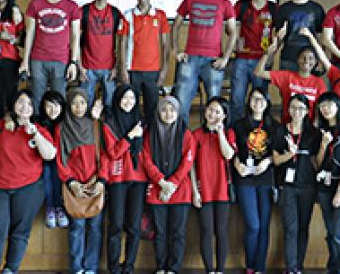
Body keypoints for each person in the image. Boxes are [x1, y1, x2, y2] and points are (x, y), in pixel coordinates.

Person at [0, 89, 57, 273]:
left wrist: (35, 134)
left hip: (28, 188)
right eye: (21, 102)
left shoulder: (39, 130)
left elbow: (49, 155)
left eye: (29, 104)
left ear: (34, 109)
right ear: (14, 105)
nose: (25, 107)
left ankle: (11, 269)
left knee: (20, 233)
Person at [172, 0, 237, 125]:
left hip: (213, 60)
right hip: (190, 58)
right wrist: (176, 50)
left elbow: (233, 32)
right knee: (181, 102)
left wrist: (226, 58)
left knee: (215, 106)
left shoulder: (225, 3)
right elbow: (176, 25)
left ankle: (213, 141)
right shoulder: (190, 0)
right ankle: (183, 142)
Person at [56, 88, 108, 274]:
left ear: (88, 104)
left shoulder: (95, 125)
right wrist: (72, 183)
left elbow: (105, 155)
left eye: (82, 103)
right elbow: (60, 160)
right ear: (69, 105)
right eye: (74, 103)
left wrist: (101, 180)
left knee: (95, 228)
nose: (79, 107)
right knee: (77, 228)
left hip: (95, 184)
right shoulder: (62, 128)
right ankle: (77, 268)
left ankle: (91, 268)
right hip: (74, 187)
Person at [141, 96, 196, 274]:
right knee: (160, 233)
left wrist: (172, 183)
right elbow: (146, 159)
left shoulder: (185, 133)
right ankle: (161, 267)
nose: (168, 113)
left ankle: (174, 269)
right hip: (158, 190)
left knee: (178, 233)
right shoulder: (150, 133)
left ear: (178, 112)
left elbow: (188, 161)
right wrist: (161, 182)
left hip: (180, 190)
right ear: (158, 112)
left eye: (172, 110)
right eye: (164, 109)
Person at [97, 85, 146, 274]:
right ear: (117, 99)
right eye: (125, 98)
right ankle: (113, 268)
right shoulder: (109, 122)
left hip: (139, 178)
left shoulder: (140, 121)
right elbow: (113, 153)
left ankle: (129, 267)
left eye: (132, 99)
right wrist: (129, 136)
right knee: (116, 225)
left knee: (134, 227)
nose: (128, 102)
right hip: (118, 177)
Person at [21, 0, 82, 111]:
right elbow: (29, 34)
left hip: (61, 59)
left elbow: (75, 36)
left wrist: (73, 62)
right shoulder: (35, 4)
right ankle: (36, 131)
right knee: (37, 99)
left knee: (58, 100)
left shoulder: (72, 6)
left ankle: (56, 132)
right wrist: (25, 61)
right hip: (38, 59)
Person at [272, 94, 322, 274]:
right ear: (288, 109)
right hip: (287, 187)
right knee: (290, 228)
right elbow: (276, 160)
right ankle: (291, 267)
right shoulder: (280, 131)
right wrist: (290, 153)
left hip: (308, 186)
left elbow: (317, 162)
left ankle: (298, 267)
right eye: (293, 108)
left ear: (307, 111)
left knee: (303, 227)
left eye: (301, 108)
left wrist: (323, 146)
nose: (296, 112)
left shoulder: (313, 133)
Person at [313, 92, 340, 274]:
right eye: (322, 106)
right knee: (331, 232)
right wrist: (323, 144)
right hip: (325, 186)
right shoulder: (319, 130)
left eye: (329, 105)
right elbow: (317, 163)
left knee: (339, 231)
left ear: (338, 106)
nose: (326, 109)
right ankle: (333, 269)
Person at [191, 97, 236, 274]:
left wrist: (221, 133)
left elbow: (228, 155)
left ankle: (220, 270)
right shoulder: (196, 135)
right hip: (204, 190)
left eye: (218, 112)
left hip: (222, 189)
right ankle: (210, 270)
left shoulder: (229, 133)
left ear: (224, 115)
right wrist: (195, 191)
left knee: (222, 231)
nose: (213, 114)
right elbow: (191, 167)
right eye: (210, 110)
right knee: (206, 230)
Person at [232, 87, 275, 274]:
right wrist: (236, 163)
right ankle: (250, 265)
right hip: (244, 179)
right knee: (253, 225)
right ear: (249, 102)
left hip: (265, 178)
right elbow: (232, 151)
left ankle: (260, 268)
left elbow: (278, 153)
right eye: (255, 99)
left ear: (267, 103)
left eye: (262, 100)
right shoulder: (238, 124)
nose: (258, 103)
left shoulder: (274, 125)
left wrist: (268, 161)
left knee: (264, 226)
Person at [119, 0, 170, 125]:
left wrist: (164, 70)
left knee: (152, 109)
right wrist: (123, 69)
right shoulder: (127, 15)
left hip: (153, 71)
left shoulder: (160, 15)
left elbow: (165, 45)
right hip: (132, 70)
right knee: (130, 108)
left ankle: (150, 141)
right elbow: (122, 44)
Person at [230, 0, 276, 123]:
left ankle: (261, 130)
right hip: (241, 59)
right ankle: (236, 131)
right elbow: (231, 27)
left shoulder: (274, 8)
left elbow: (277, 36)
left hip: (262, 61)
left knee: (261, 100)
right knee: (237, 99)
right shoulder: (241, 5)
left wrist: (271, 56)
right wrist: (236, 39)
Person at [79, 0, 128, 107]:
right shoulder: (83, 11)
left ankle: (107, 129)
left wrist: (116, 66)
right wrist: (79, 66)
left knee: (110, 105)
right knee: (84, 106)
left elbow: (120, 42)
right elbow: (75, 41)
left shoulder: (115, 13)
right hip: (87, 68)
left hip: (109, 68)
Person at [254, 35, 326, 123]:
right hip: (287, 125)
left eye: (311, 58)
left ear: (316, 62)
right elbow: (258, 72)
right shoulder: (287, 76)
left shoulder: (319, 83)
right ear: (297, 60)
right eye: (303, 57)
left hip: (308, 128)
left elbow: (320, 108)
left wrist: (314, 128)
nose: (307, 61)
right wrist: (267, 53)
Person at [273, 0, 325, 71]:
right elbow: (276, 35)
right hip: (288, 58)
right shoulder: (284, 8)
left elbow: (321, 37)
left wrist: (321, 59)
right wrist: (278, 37)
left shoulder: (317, 8)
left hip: (310, 60)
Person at [37, 90, 69, 228]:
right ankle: (51, 207)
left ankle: (59, 207)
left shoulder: (67, 123)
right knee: (47, 171)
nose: (52, 110)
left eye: (56, 105)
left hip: (62, 160)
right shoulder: (39, 123)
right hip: (44, 160)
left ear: (62, 106)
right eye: (48, 106)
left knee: (57, 172)